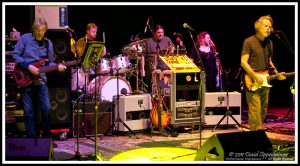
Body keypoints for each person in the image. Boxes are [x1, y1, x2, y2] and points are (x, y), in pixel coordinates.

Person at [12, 17, 67, 137]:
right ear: (33, 29)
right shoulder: (25, 38)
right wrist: (28, 66)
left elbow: (50, 63)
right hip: (26, 80)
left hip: (41, 81)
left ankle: (47, 140)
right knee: (29, 112)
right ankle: (31, 140)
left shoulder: (48, 43)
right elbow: (15, 55)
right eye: (37, 30)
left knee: (46, 109)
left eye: (42, 30)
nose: (40, 33)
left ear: (45, 30)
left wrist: (58, 66)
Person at [240, 15, 286, 131]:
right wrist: (254, 76)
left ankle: (257, 132)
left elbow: (269, 61)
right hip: (252, 80)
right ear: (257, 26)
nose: (268, 28)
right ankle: (255, 135)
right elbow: (243, 62)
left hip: (265, 79)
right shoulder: (249, 41)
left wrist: (277, 73)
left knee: (263, 109)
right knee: (255, 110)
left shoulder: (270, 43)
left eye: (270, 27)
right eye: (265, 26)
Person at [141, 24, 175, 94]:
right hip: (152, 67)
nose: (161, 34)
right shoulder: (148, 41)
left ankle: (164, 97)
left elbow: (172, 51)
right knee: (155, 86)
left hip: (164, 67)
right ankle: (155, 96)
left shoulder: (167, 39)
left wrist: (171, 49)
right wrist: (142, 69)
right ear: (154, 33)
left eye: (162, 32)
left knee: (165, 86)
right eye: (158, 33)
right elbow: (142, 56)